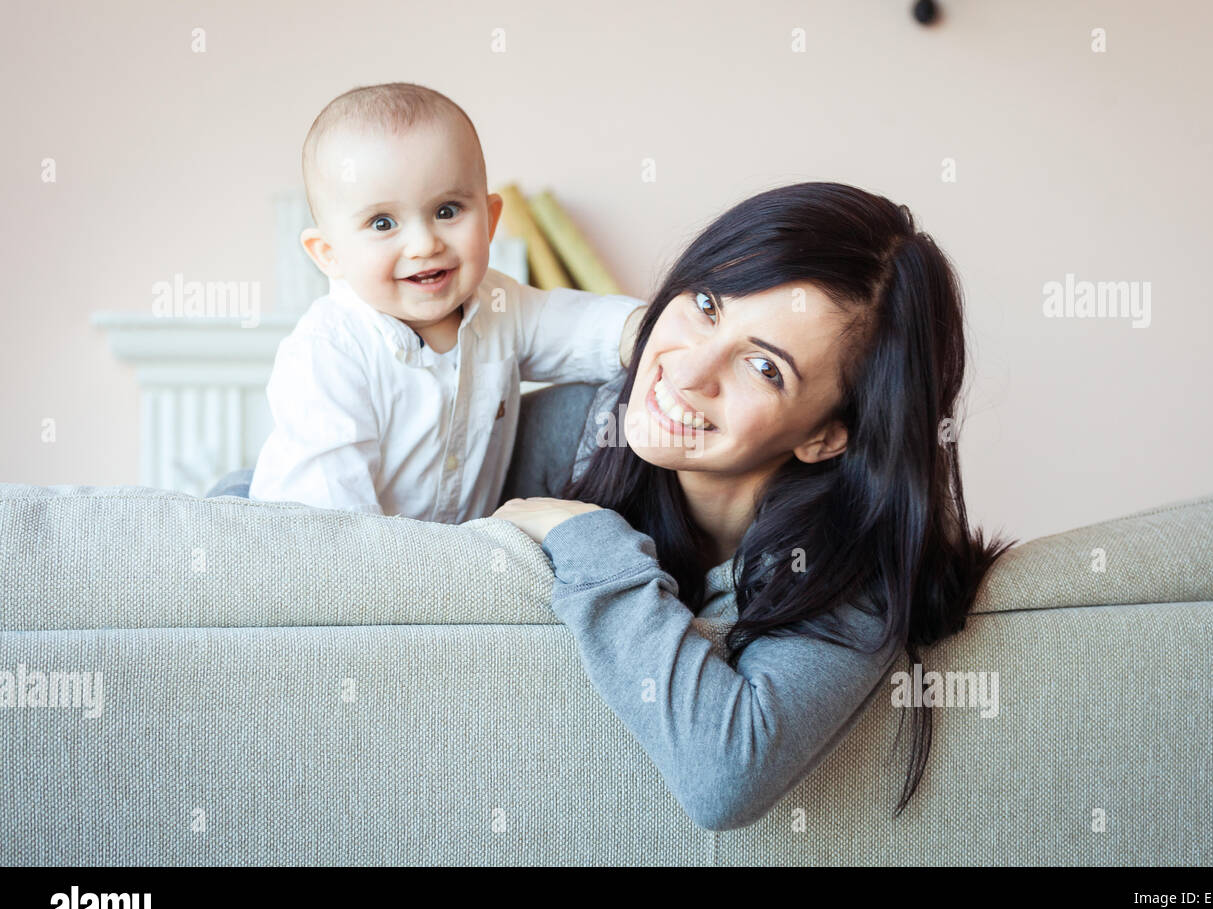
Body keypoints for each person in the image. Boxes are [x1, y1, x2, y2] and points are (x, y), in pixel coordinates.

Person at [494, 182, 1017, 830]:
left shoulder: (856, 568)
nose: (688, 372)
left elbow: (724, 778)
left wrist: (589, 540)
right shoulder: (567, 428)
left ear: (827, 434)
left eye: (765, 368)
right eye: (708, 304)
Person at [249, 82, 645, 522]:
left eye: (447, 211)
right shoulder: (330, 351)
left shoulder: (499, 303)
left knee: (593, 398)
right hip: (349, 555)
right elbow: (332, 526)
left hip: (460, 546)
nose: (423, 244)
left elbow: (584, 329)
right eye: (383, 222)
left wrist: (655, 332)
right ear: (329, 254)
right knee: (239, 504)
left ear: (491, 220)